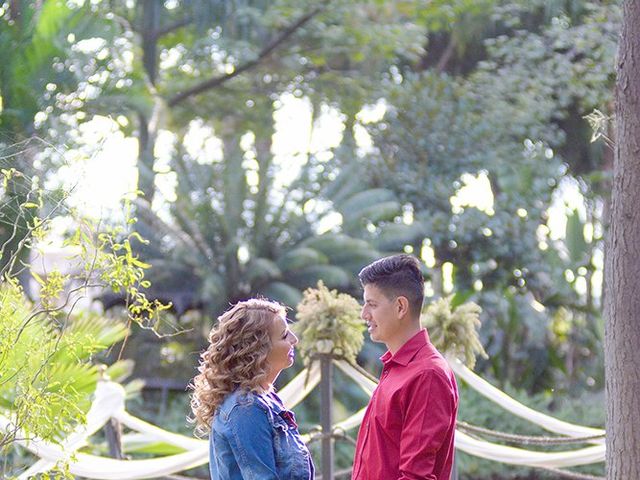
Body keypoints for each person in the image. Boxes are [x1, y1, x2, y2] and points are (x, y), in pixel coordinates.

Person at [352, 254, 459, 480]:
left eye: (372, 304)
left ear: (401, 306)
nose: (364, 314)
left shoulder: (428, 374)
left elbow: (415, 475)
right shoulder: (396, 366)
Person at [190, 298, 314, 480]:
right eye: (284, 335)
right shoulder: (245, 409)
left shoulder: (267, 400)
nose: (294, 340)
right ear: (258, 348)